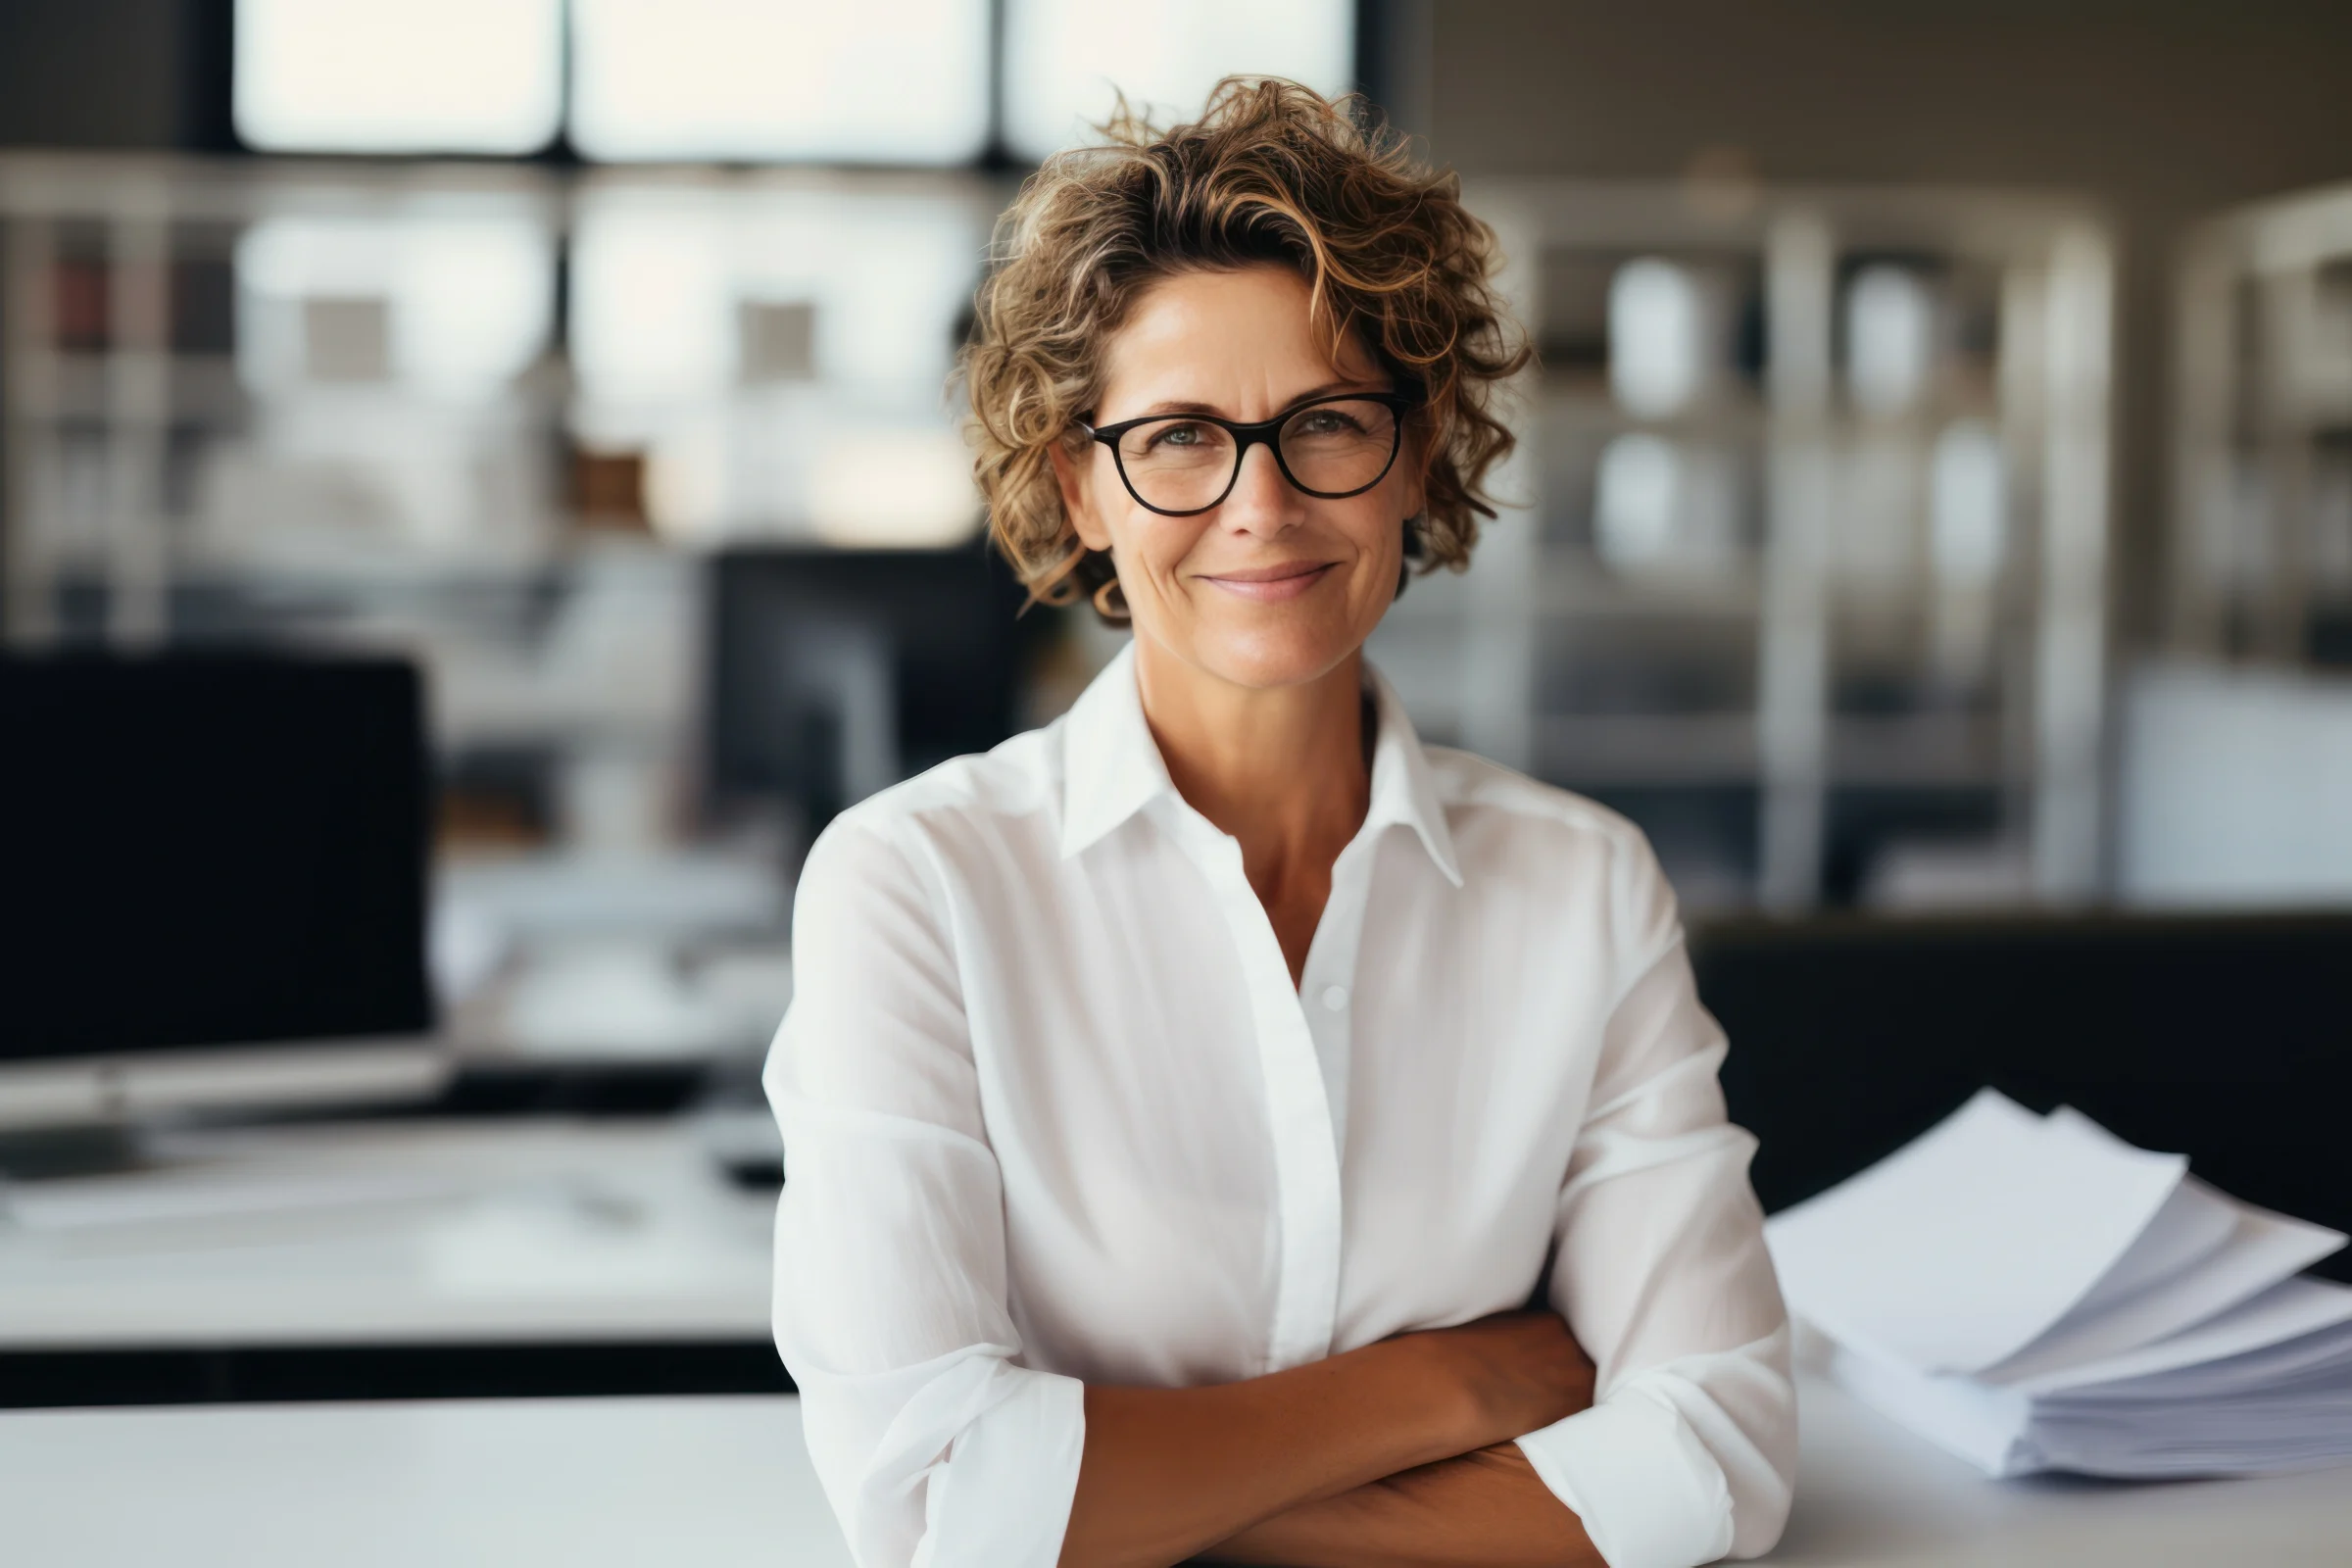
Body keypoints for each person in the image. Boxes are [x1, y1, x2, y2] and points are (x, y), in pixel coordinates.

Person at [766, 78, 1794, 1568]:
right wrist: (1454, 1383)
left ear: (1417, 454)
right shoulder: (915, 884)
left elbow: (1717, 1460)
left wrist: (1121, 1508)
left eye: (1324, 423)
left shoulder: (1585, 887)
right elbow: (930, 1503)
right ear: (1084, 485)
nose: (1260, 503)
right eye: (1179, 436)